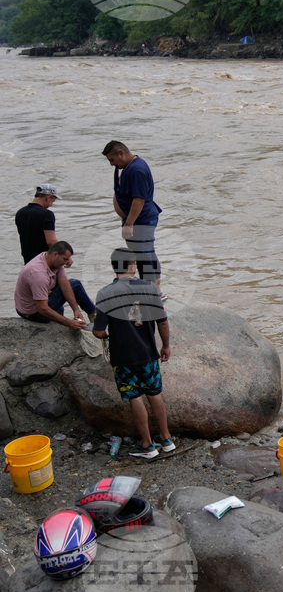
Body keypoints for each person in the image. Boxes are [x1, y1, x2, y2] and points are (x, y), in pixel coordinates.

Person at [92, 247, 173, 459]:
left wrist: (108, 335)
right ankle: (166, 439)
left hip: (123, 357)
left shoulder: (105, 293)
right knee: (154, 393)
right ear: (133, 265)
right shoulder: (149, 288)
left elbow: (99, 331)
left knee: (135, 396)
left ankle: (147, 445)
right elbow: (162, 322)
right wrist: (165, 345)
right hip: (148, 353)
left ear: (113, 267)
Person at [102, 141, 163, 299]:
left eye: (112, 160)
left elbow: (139, 200)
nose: (111, 164)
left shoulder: (136, 170)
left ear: (121, 153)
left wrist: (129, 224)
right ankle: (155, 288)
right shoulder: (126, 166)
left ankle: (152, 293)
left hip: (140, 220)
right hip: (137, 219)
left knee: (143, 256)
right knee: (147, 253)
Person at [14, 241, 95, 329]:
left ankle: (93, 315)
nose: (67, 263)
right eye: (65, 259)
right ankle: (95, 319)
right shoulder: (39, 274)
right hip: (32, 313)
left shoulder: (49, 258)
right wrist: (69, 323)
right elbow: (42, 309)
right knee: (75, 284)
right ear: (55, 254)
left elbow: (65, 285)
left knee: (74, 284)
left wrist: (76, 309)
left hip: (37, 303)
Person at [14, 183, 60, 264]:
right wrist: (66, 252)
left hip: (28, 261)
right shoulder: (47, 214)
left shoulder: (20, 213)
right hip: (43, 261)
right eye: (52, 201)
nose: (51, 205)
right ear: (48, 197)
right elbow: (51, 241)